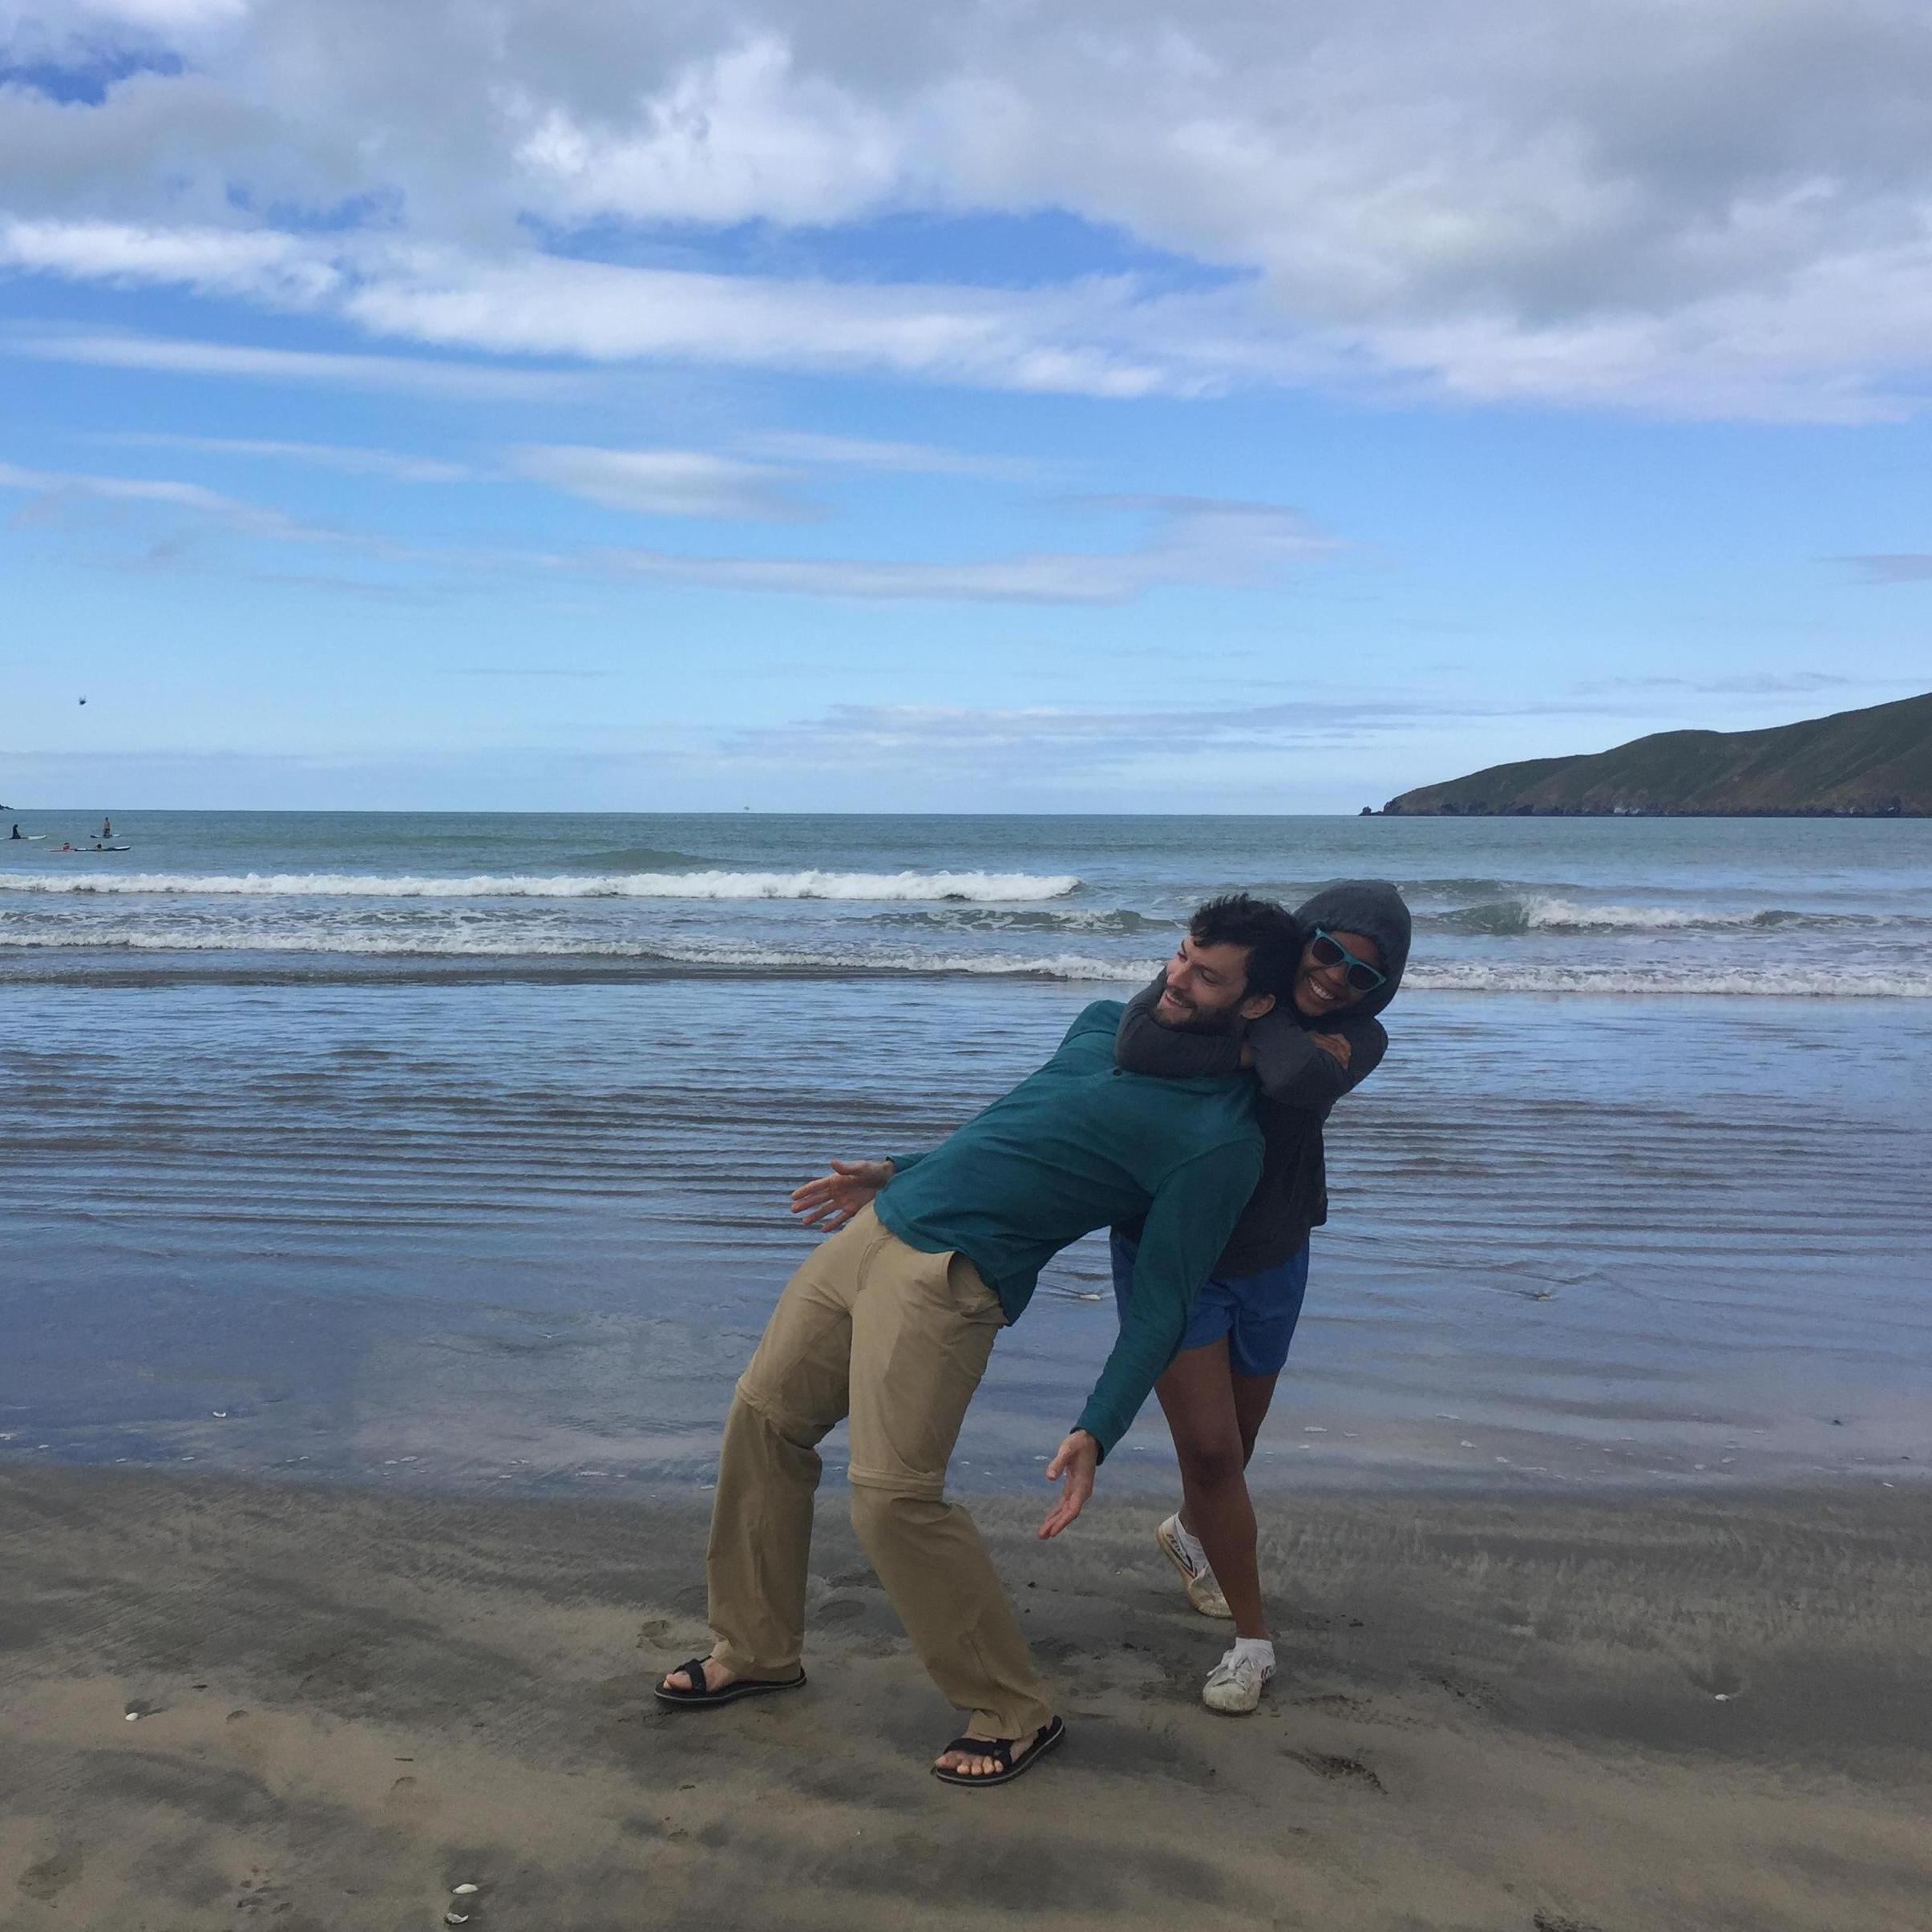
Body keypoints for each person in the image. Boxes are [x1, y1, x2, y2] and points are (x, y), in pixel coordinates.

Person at [657, 894, 1300, 1787]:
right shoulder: (1104, 1025)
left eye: (1208, 976)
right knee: (762, 1422)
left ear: (1257, 1004)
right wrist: (899, 1169)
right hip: (874, 1231)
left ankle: (1013, 1707)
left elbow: (1163, 1300)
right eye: (1182, 956)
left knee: (890, 1496)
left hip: (951, 1279)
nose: (1177, 979)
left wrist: (1097, 1428)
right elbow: (1015, 1132)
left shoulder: (1217, 1141)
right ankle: (757, 1647)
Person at [1109, 881, 1410, 1714]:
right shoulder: (1208, 976)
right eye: (1325, 953)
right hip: (1171, 1246)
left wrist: (1259, 1016)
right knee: (1210, 1451)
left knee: (1232, 1448)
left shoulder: (1362, 1036)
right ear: (1301, 940)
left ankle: (1188, 1531)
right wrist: (1251, 1019)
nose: (1335, 981)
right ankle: (1251, 1640)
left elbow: (1297, 1078)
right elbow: (1137, 1043)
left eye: (1360, 974)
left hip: (1275, 1251)